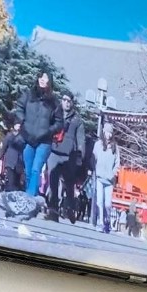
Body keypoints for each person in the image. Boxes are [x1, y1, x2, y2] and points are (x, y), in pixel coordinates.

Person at [16, 72, 62, 197]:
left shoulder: (54, 102)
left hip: (44, 141)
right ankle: (31, 194)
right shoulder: (28, 95)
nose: (42, 80)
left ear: (49, 82)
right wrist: (22, 121)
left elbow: (59, 122)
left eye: (45, 78)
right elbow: (19, 108)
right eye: (41, 77)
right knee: (28, 170)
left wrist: (49, 131)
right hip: (28, 138)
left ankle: (30, 197)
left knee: (36, 169)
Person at [46, 92, 84, 223]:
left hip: (69, 156)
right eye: (64, 100)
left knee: (69, 184)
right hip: (54, 152)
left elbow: (81, 139)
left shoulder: (77, 120)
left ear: (72, 103)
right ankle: (53, 211)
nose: (66, 103)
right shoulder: (54, 114)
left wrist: (80, 154)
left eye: (69, 101)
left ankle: (70, 208)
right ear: (61, 101)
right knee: (53, 183)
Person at [92, 123, 120, 233]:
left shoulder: (115, 147)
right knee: (99, 201)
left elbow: (117, 163)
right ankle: (100, 222)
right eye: (107, 132)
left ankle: (107, 221)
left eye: (110, 133)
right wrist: (93, 168)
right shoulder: (98, 145)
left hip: (109, 179)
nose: (109, 135)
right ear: (103, 132)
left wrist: (113, 173)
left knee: (108, 203)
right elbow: (93, 158)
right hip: (99, 177)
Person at [0, 121, 25, 192]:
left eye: (20, 125)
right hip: (10, 160)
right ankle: (9, 192)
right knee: (11, 180)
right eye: (17, 125)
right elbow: (4, 147)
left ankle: (15, 193)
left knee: (17, 181)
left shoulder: (23, 137)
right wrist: (0, 156)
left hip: (19, 162)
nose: (19, 126)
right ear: (14, 126)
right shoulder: (9, 136)